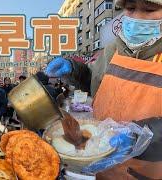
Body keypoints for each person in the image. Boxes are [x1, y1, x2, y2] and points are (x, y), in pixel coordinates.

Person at [45, 0, 162, 178]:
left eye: (149, 9)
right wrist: (74, 70)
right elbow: (95, 83)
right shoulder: (112, 50)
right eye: (130, 9)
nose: (137, 17)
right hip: (103, 166)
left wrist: (138, 136)